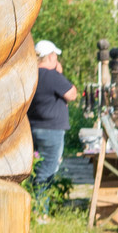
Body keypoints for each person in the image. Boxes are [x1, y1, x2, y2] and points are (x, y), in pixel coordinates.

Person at [28, 39, 80, 196]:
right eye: (55, 57)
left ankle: (35, 206)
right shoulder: (51, 75)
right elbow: (72, 93)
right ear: (50, 57)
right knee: (48, 170)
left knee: (36, 168)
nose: (57, 60)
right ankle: (40, 209)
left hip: (33, 128)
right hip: (51, 130)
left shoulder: (30, 75)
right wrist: (59, 73)